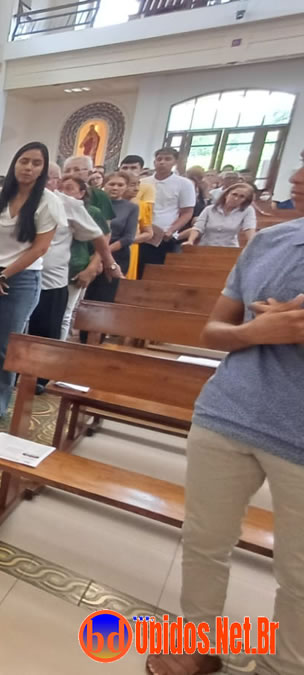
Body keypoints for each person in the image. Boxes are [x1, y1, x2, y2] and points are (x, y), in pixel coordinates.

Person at [146, 151, 304, 675]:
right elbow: (214, 331)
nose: (296, 178)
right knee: (204, 539)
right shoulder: (269, 242)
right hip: (229, 411)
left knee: (298, 572)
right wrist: (259, 331)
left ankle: (284, 666)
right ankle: (198, 643)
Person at [0, 142, 58, 424]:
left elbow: (40, 247)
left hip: (22, 277)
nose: (28, 167)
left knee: (7, 346)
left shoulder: (48, 201)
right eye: (23, 161)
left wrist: (4, 275)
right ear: (15, 163)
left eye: (36, 163)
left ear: (43, 169)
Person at [37, 176, 120, 357]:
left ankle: (58, 353)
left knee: (64, 314)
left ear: (82, 192)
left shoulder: (90, 211)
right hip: (50, 268)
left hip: (75, 266)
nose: (63, 192)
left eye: (69, 188)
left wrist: (95, 265)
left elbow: (102, 238)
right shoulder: (48, 205)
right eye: (61, 187)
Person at [137, 147, 196, 276]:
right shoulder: (143, 182)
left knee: (154, 272)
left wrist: (171, 229)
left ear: (175, 162)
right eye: (159, 159)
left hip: (164, 234)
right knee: (137, 270)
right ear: (154, 162)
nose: (162, 162)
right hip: (142, 232)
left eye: (167, 159)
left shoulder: (184, 184)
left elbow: (187, 212)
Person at [83, 172, 138, 306]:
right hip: (90, 252)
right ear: (104, 185)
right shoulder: (94, 203)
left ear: (126, 187)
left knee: (106, 297)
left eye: (120, 185)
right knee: (86, 295)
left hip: (116, 254)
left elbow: (128, 237)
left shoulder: (131, 207)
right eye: (112, 184)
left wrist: (103, 252)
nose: (115, 188)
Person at [185, 182, 257, 248]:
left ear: (245, 200)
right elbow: (198, 227)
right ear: (226, 194)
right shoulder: (209, 209)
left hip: (229, 248)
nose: (236, 198)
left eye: (242, 197)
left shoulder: (248, 210)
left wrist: (251, 243)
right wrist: (190, 240)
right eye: (234, 194)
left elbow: (249, 227)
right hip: (206, 246)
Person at [62, 155, 114, 223]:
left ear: (89, 173)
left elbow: (106, 223)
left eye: (77, 170)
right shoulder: (58, 192)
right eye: (67, 171)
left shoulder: (100, 195)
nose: (71, 174)